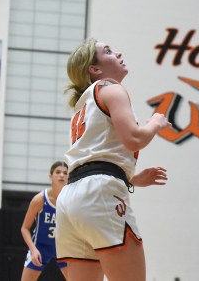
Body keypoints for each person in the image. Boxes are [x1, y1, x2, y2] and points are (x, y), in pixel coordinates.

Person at [56, 39, 170, 281]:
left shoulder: (82, 105)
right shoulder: (111, 87)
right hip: (99, 194)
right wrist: (155, 123)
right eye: (107, 51)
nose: (118, 52)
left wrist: (132, 178)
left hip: (70, 199)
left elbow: (92, 158)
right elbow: (134, 139)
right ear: (94, 69)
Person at [20, 161, 69, 281]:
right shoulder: (40, 199)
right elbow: (24, 228)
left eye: (65, 173)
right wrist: (33, 249)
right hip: (41, 247)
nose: (62, 175)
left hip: (62, 248)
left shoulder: (70, 200)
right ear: (50, 176)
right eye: (58, 172)